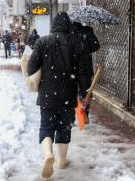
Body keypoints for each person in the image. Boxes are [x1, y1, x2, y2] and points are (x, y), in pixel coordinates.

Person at [27, 12, 89, 178]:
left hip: (47, 93)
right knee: (64, 127)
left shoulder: (42, 41)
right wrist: (85, 92)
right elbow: (83, 73)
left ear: (53, 26)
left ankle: (48, 154)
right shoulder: (78, 44)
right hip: (68, 94)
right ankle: (62, 161)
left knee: (46, 126)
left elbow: (31, 68)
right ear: (68, 26)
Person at [71, 22, 100, 124]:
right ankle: (84, 115)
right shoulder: (87, 31)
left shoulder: (69, 33)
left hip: (72, 69)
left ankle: (71, 118)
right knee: (85, 93)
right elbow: (96, 46)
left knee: (71, 92)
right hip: (85, 68)